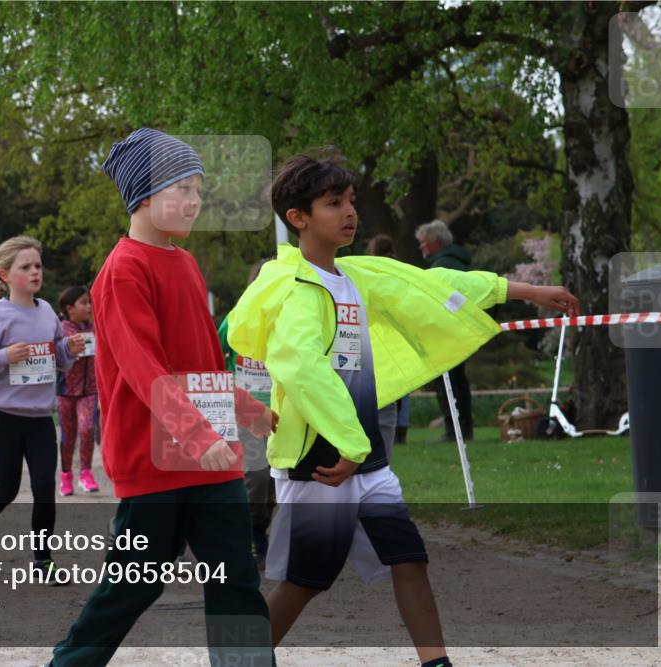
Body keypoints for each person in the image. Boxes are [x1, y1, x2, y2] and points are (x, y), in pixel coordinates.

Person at [227, 152, 581, 667]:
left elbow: (433, 287)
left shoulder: (356, 276)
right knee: (304, 582)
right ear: (297, 218)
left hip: (364, 458)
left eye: (350, 201)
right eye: (333, 203)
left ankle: (437, 664)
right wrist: (350, 446)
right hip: (321, 464)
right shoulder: (294, 293)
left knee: (409, 559)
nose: (349, 211)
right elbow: (304, 371)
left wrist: (524, 290)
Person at [45, 128, 276, 667]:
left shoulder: (188, 264)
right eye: (183, 187)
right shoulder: (122, 271)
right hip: (155, 463)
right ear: (144, 195)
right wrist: (198, 436)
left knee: (237, 584)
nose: (196, 200)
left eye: (199, 188)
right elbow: (146, 369)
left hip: (212, 462)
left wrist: (248, 411)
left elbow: (200, 366)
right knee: (133, 587)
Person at [0, 236, 85, 577]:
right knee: (6, 489)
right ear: (5, 275)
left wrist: (69, 348)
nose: (35, 272)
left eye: (38, 265)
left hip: (40, 418)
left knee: (44, 488)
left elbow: (57, 357)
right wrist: (4, 356)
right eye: (26, 267)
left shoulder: (47, 314)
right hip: (5, 418)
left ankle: (42, 561)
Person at [217, 260, 275, 568]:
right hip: (246, 413)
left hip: (281, 412)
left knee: (275, 482)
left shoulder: (289, 319)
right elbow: (216, 351)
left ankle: (261, 529)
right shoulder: (236, 319)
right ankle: (252, 533)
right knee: (256, 474)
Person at [415, 219, 474, 442]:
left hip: (447, 333)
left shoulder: (443, 266)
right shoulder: (457, 261)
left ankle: (455, 429)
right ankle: (462, 428)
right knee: (458, 381)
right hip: (458, 332)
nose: (421, 248)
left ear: (436, 242)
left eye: (423, 243)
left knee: (448, 383)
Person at [365, 233, 410, 445]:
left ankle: (393, 428)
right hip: (397, 335)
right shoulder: (399, 271)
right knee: (402, 387)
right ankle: (401, 428)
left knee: (386, 386)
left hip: (379, 337)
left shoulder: (370, 271)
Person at [55, 285, 99, 496]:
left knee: (87, 428)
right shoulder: (60, 329)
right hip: (65, 391)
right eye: (84, 302)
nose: (89, 306)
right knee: (68, 435)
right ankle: (65, 476)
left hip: (89, 390)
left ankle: (86, 473)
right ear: (69, 308)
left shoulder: (94, 329)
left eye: (89, 302)